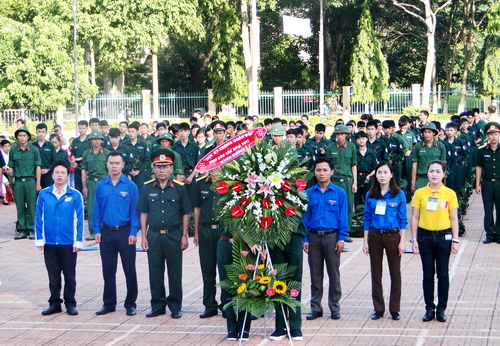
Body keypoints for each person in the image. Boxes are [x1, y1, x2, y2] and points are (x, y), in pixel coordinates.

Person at [137, 149, 192, 319]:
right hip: (153, 235)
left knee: (175, 272)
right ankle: (157, 305)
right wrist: (144, 236)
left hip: (173, 235)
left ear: (171, 168)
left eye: (165, 166)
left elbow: (185, 213)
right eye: (158, 167)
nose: (162, 170)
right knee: (155, 271)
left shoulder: (179, 188)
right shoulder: (147, 188)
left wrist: (184, 235)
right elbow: (143, 213)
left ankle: (175, 305)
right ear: (153, 168)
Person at [411, 160, 460, 323]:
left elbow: (453, 218)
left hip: (443, 238)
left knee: (443, 274)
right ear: (427, 173)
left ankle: (441, 308)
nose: (434, 174)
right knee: (428, 274)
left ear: (443, 174)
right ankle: (429, 307)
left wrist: (455, 240)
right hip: (424, 237)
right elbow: (415, 217)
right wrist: (414, 239)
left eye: (438, 171)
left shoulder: (449, 194)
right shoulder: (420, 193)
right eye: (431, 171)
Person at [92, 151, 140, 316]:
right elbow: (96, 209)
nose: (114, 166)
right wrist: (96, 230)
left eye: (117, 163)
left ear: (122, 165)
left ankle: (130, 304)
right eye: (111, 163)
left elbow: (135, 211)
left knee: (129, 269)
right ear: (107, 164)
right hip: (106, 233)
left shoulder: (130, 186)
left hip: (125, 232)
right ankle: (109, 303)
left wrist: (134, 232)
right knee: (108, 270)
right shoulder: (101, 186)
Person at [35, 160, 84, 316]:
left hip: (68, 243)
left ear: (68, 175)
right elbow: (39, 217)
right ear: (52, 174)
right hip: (50, 242)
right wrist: (39, 238)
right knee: (53, 276)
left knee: (70, 276)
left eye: (63, 172)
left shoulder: (75, 195)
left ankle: (71, 303)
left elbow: (79, 219)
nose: (60, 175)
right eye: (57, 172)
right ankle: (54, 303)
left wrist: (78, 241)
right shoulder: (44, 194)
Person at [302, 157, 348, 321]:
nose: (321, 173)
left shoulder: (339, 193)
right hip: (314, 237)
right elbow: (305, 217)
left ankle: (334, 307)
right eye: (318, 170)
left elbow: (343, 216)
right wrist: (305, 238)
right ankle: (316, 307)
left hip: (332, 237)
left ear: (331, 172)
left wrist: (341, 238)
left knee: (334, 274)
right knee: (315, 275)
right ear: (314, 172)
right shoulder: (308, 193)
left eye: (325, 170)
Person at [363, 162, 407, 321]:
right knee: (376, 273)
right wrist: (365, 241)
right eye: (379, 172)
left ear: (391, 175)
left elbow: (403, 219)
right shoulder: (371, 194)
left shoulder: (398, 194)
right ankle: (378, 308)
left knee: (395, 273)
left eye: (385, 172)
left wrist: (402, 241)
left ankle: (394, 309)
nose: (382, 175)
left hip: (393, 236)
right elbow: (366, 218)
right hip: (375, 235)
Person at [9, 127, 42, 240]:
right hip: (18, 182)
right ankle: (22, 229)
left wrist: (38, 183)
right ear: (17, 137)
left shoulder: (34, 150)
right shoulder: (13, 150)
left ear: (28, 137)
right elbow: (11, 167)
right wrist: (10, 183)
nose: (22, 138)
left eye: (24, 135)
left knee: (32, 205)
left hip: (30, 181)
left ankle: (32, 229)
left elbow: (38, 166)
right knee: (20, 206)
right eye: (20, 135)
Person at [81, 130, 110, 241]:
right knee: (92, 208)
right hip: (91, 182)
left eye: (98, 139)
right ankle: (93, 232)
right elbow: (83, 170)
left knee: (104, 206)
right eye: (94, 139)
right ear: (90, 140)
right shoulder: (86, 153)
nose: (96, 141)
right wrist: (84, 186)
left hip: (103, 181)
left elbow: (109, 170)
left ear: (101, 140)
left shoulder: (106, 153)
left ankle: (104, 231)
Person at [476, 122, 500, 244]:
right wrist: (477, 184)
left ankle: (499, 234)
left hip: (499, 183)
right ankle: (490, 234)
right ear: (487, 136)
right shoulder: (481, 151)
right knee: (488, 210)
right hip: (487, 183)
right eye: (491, 134)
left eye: (496, 134)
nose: (493, 137)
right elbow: (479, 167)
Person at [33, 123, 57, 189]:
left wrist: (48, 169)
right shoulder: (32, 146)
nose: (41, 134)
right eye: (39, 132)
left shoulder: (50, 146)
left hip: (48, 175)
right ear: (36, 132)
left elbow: (55, 161)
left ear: (46, 133)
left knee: (48, 196)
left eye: (43, 132)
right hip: (34, 176)